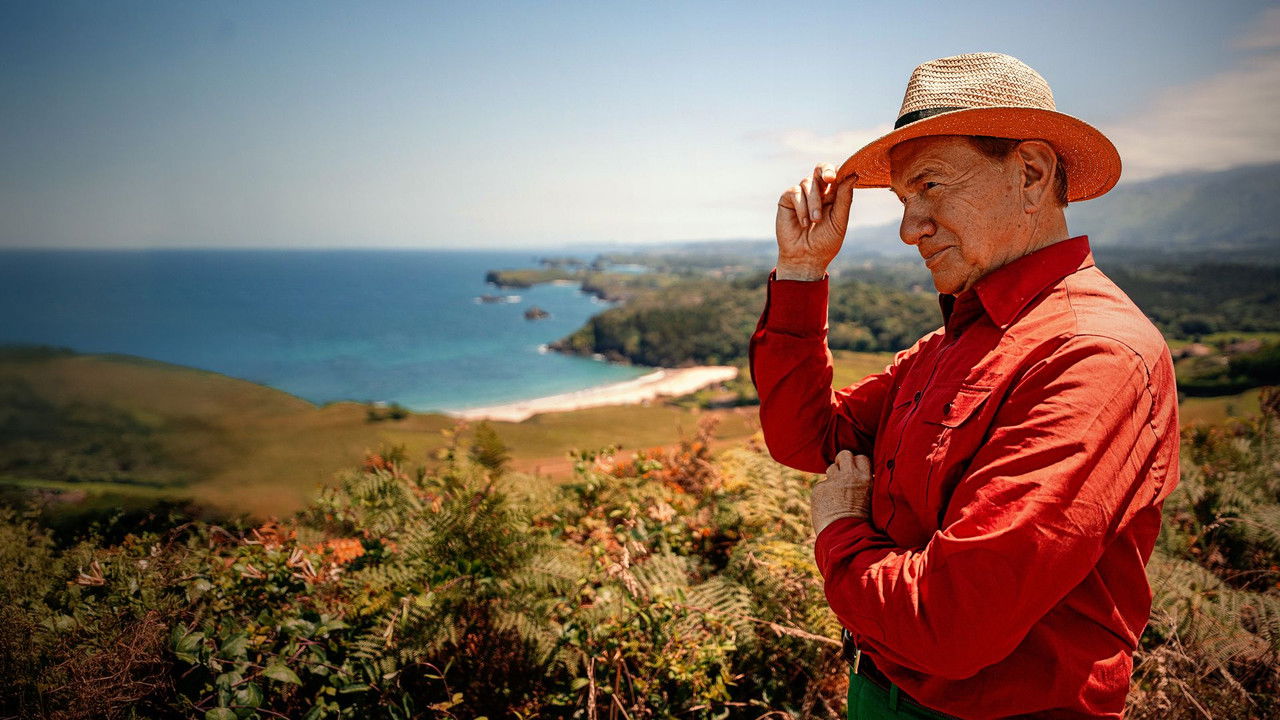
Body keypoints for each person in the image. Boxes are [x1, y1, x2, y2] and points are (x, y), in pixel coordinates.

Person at [749, 52, 1179, 719]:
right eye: (902, 199)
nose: (906, 229)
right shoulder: (953, 345)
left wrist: (838, 528)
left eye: (930, 186)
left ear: (1031, 174)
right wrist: (801, 272)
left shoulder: (1092, 355)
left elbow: (949, 626)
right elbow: (808, 438)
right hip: (881, 692)